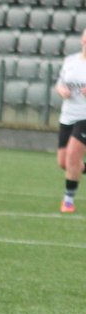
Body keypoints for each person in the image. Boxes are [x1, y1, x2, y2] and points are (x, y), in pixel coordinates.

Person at [54, 27, 86, 213]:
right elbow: (60, 83)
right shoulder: (71, 61)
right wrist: (62, 91)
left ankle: (68, 201)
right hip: (68, 115)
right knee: (64, 163)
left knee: (73, 156)